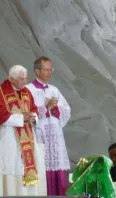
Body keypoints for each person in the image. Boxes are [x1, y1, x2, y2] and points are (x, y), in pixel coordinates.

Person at [0, 65, 44, 196]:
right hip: (9, 137)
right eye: (21, 79)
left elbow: (34, 109)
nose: (25, 82)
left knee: (25, 166)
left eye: (26, 78)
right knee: (11, 167)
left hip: (27, 135)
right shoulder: (0, 92)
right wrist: (22, 118)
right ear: (11, 79)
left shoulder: (26, 92)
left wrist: (33, 117)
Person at [26, 56, 71, 196]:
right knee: (41, 166)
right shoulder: (28, 90)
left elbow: (66, 110)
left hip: (55, 136)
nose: (49, 72)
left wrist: (55, 109)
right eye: (46, 69)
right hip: (39, 135)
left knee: (58, 167)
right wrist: (46, 108)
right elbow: (26, 114)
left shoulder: (54, 89)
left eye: (51, 69)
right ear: (37, 71)